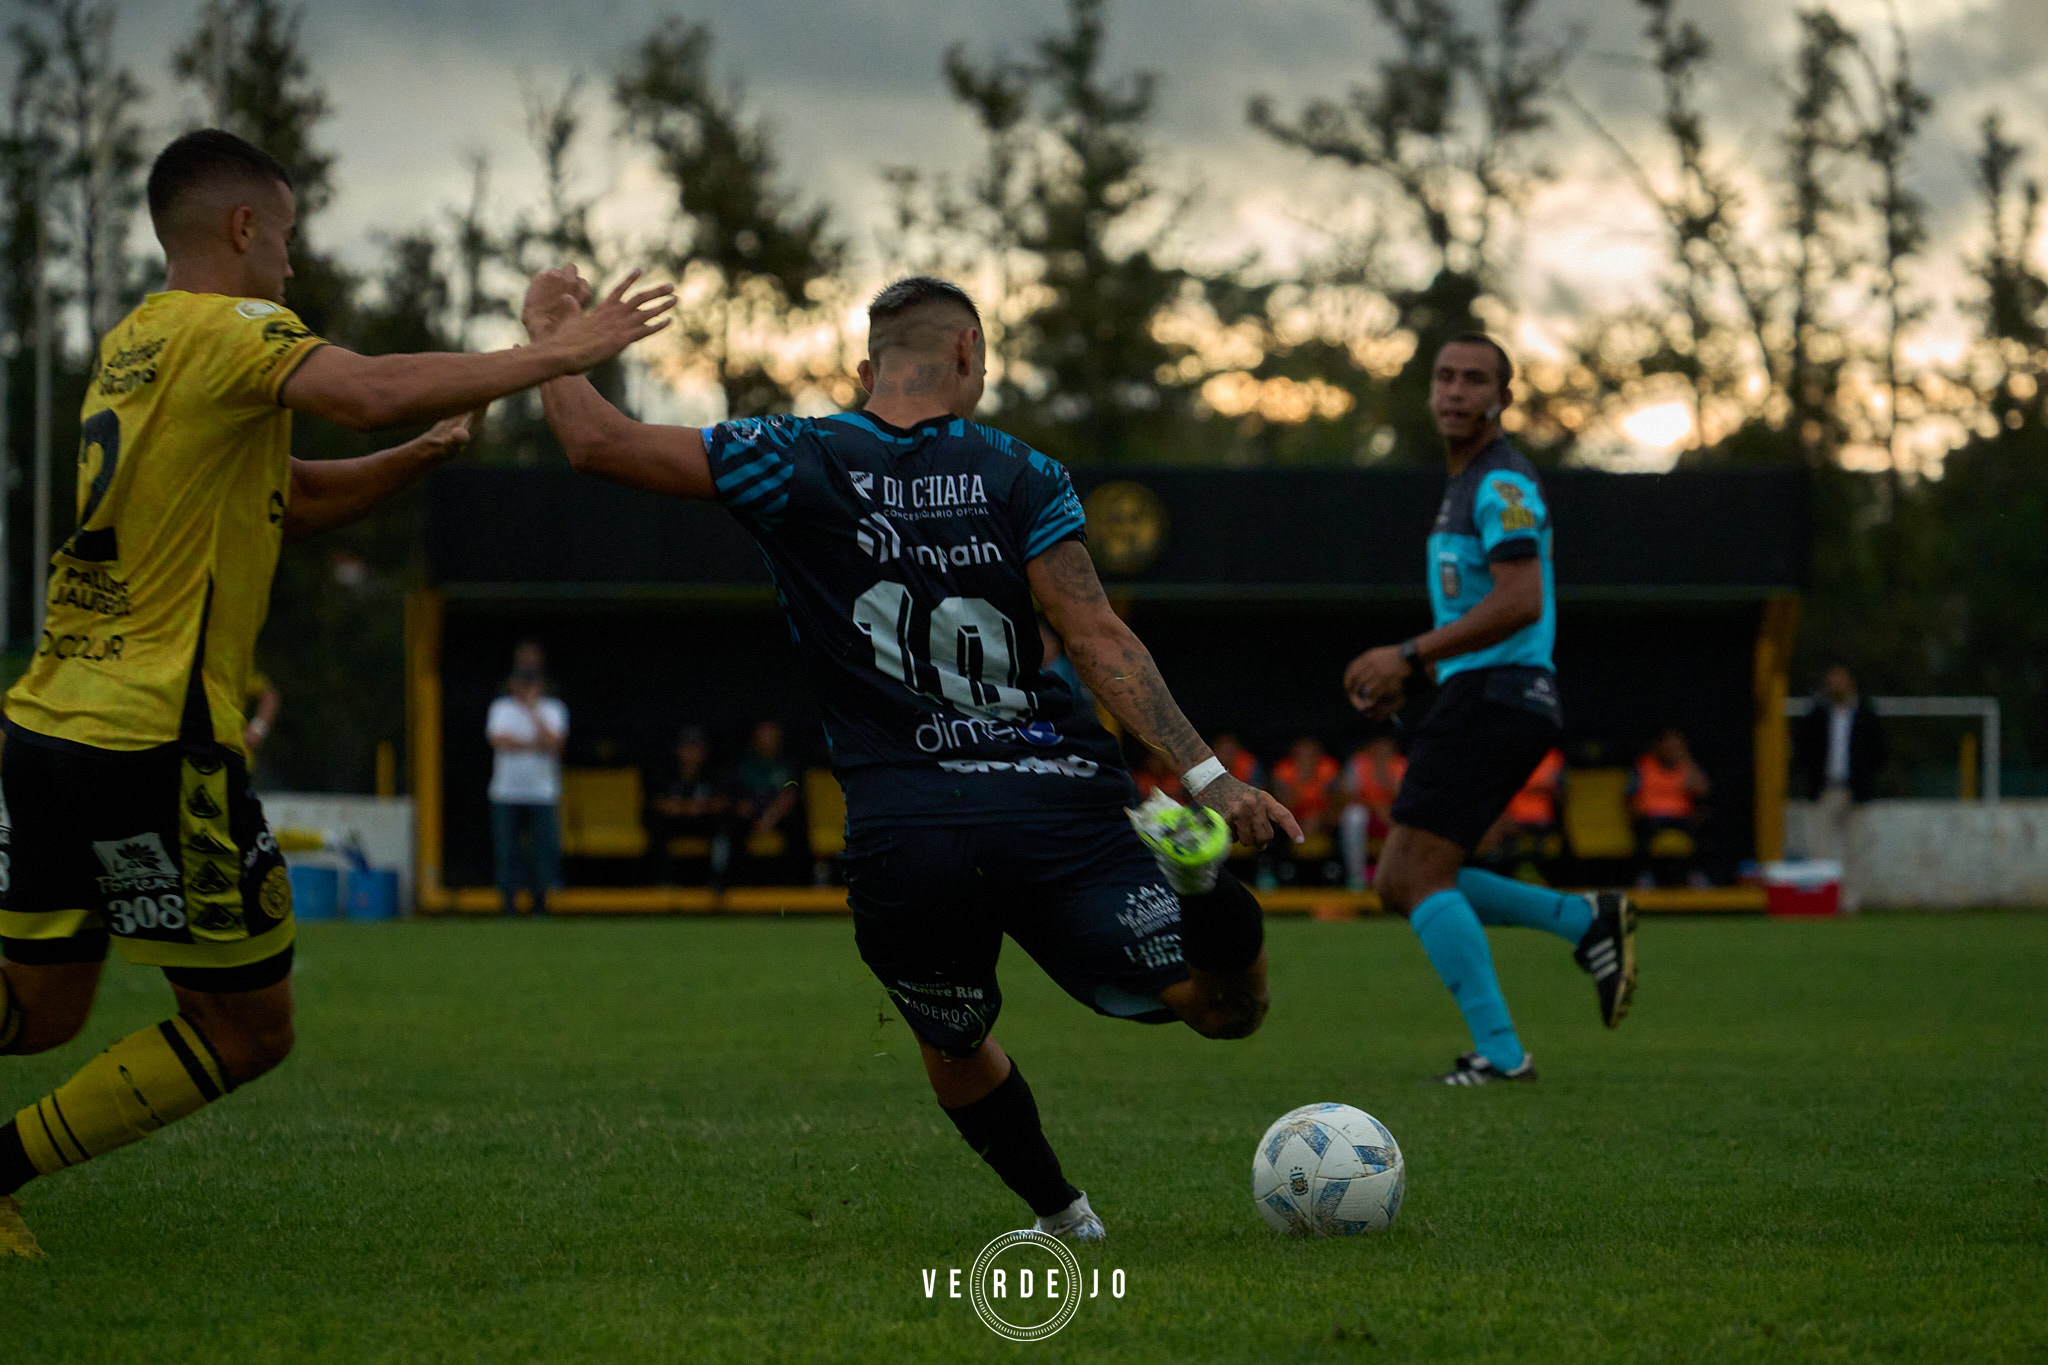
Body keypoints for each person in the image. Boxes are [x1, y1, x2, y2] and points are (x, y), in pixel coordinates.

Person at [0, 129, 671, 1258]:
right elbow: (362, 390)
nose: (295, 269)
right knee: (249, 1029)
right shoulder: (235, 327)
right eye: (292, 239)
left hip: (51, 720)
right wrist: (562, 350)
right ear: (245, 229)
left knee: (44, 1007)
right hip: (154, 737)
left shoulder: (134, 347)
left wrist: (410, 460)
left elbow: (292, 497)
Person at [526, 268, 1301, 1240]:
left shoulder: (794, 455)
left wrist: (549, 336)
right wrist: (1209, 777)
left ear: (866, 369)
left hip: (908, 825)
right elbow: (1098, 638)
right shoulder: (1023, 472)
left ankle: (1063, 1218)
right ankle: (1198, 890)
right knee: (1224, 1008)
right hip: (1053, 801)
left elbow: (594, 442)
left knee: (954, 1036)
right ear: (968, 352)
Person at [1341, 332, 1635, 1086]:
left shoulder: (1501, 483)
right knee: (1407, 876)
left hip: (1498, 693)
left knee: (1411, 876)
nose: (1456, 391)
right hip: (1486, 689)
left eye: (1475, 379)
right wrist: (1423, 673)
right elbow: (1489, 607)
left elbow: (1520, 598)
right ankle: (1582, 921)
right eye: (1444, 377)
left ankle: (1503, 1055)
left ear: (1503, 397)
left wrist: (1409, 655)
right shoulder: (1465, 482)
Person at [1793, 663, 1887, 912]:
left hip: (1856, 791)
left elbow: (1879, 752)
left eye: (1840, 677)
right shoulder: (1816, 714)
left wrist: (1865, 778)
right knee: (1819, 850)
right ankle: (1822, 902)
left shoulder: (1866, 714)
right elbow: (1803, 751)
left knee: (1856, 851)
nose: (1835, 683)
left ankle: (1850, 904)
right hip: (1824, 790)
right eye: (1831, 678)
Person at [486, 645, 567, 916]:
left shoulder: (553, 709)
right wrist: (534, 745)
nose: (525, 687)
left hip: (542, 792)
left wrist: (533, 711)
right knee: (507, 850)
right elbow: (499, 741)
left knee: (543, 850)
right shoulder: (501, 708)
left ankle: (541, 904)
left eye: (531, 681)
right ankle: (508, 905)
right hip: (506, 792)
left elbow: (554, 742)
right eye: (522, 681)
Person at [649, 724, 731, 886]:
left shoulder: (713, 772)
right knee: (656, 825)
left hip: (703, 822)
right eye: (687, 748)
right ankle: (663, 882)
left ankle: (718, 880)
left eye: (696, 748)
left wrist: (700, 807)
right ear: (678, 750)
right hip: (676, 823)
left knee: (724, 826)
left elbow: (723, 802)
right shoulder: (667, 771)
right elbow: (658, 803)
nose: (691, 753)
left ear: (704, 751)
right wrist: (687, 807)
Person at [1629, 728, 1710, 888]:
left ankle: (1694, 874)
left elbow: (1702, 789)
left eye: (1676, 747)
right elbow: (1630, 795)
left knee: (1704, 822)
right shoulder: (1644, 765)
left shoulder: (1686, 766)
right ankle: (1646, 876)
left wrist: (1686, 759)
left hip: (1681, 818)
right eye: (1668, 747)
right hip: (1651, 818)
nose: (1671, 751)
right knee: (1643, 829)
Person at [730, 719, 801, 878]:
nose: (767, 740)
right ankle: (733, 882)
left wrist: (769, 819)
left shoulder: (786, 765)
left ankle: (796, 882)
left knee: (797, 827)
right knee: (732, 826)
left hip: (776, 817)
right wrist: (749, 815)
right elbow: (736, 798)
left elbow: (789, 795)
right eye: (763, 735)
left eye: (772, 735)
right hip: (749, 818)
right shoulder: (743, 765)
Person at [1339, 735, 1407, 890]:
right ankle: (1357, 878)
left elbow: (1408, 798)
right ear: (1371, 746)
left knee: (1410, 817)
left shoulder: (1401, 764)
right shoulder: (1358, 764)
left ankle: (1401, 879)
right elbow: (1346, 798)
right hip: (1369, 817)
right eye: (1379, 745)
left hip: (1393, 815)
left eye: (1387, 745)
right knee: (1353, 815)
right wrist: (1376, 807)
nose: (1383, 749)